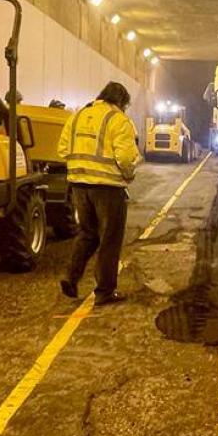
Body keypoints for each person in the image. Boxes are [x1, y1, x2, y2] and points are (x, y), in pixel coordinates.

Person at [57, 81, 142, 306]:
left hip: (79, 185)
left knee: (87, 234)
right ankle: (105, 291)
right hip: (108, 188)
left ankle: (70, 276)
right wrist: (129, 174)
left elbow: (62, 149)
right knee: (109, 238)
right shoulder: (119, 120)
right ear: (122, 101)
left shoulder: (77, 116)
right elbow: (125, 158)